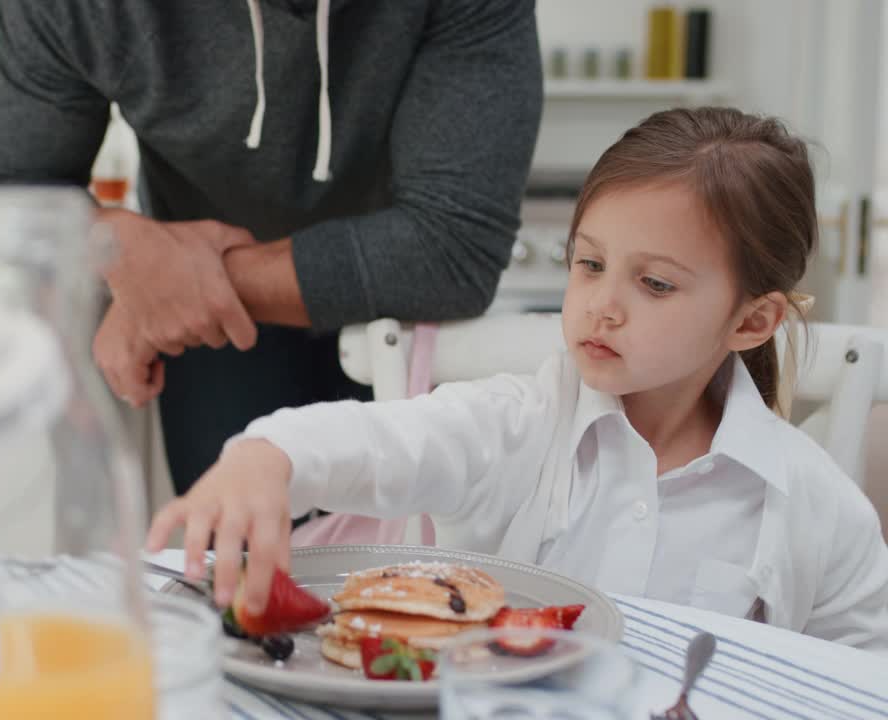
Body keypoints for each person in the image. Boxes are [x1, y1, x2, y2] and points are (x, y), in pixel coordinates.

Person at [146, 107, 888, 651]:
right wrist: (266, 456)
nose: (602, 305)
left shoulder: (822, 511)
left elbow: (856, 685)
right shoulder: (522, 423)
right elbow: (388, 442)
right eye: (590, 264)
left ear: (751, 322)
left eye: (654, 284)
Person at [0, 1, 543, 497]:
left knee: (408, 584)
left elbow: (454, 244)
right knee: (237, 586)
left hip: (404, 311)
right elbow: (7, 199)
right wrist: (115, 247)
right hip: (216, 340)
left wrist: (177, 284)